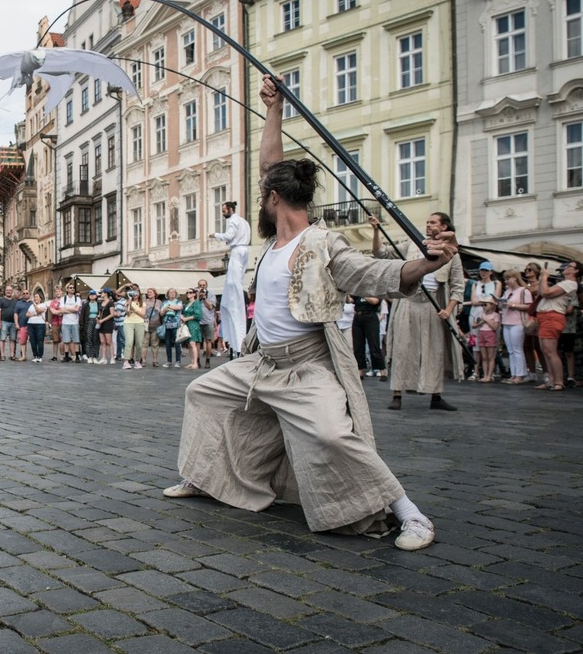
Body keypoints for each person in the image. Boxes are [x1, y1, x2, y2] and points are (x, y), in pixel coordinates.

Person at [163, 75, 454, 552]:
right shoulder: (272, 242)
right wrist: (273, 109)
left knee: (333, 435)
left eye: (264, 195)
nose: (261, 198)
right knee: (203, 392)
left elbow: (373, 273)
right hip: (262, 364)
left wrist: (426, 263)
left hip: (306, 367)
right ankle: (205, 478)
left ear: (275, 201)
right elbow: (269, 165)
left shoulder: (322, 244)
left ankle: (409, 513)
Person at [371, 213, 464, 411]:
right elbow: (381, 253)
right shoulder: (412, 244)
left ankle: (436, 396)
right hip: (407, 301)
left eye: (433, 222)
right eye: (427, 222)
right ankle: (397, 393)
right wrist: (376, 230)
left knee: (434, 351)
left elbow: (457, 285)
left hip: (433, 305)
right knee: (402, 348)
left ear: (444, 226)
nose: (428, 225)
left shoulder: (451, 251)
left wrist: (448, 310)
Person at [212, 201, 251, 357]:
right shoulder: (244, 221)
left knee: (233, 283)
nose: (223, 213)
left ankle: (235, 300)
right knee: (235, 282)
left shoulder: (233, 220)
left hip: (237, 251)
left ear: (230, 210)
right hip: (244, 250)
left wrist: (215, 235)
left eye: (224, 210)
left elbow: (229, 236)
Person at [536, 261, 580, 392]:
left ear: (576, 271)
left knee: (551, 351)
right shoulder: (563, 283)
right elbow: (542, 292)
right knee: (546, 351)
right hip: (545, 315)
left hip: (552, 315)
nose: (565, 268)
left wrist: (544, 277)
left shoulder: (570, 283)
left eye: (569, 266)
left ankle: (559, 382)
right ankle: (551, 380)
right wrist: (541, 279)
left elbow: (546, 293)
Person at [499, 269, 532, 385]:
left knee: (517, 349)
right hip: (507, 321)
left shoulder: (524, 291)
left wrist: (513, 305)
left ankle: (520, 374)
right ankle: (513, 374)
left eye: (508, 279)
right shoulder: (507, 292)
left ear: (515, 278)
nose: (506, 281)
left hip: (518, 322)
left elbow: (529, 306)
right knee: (510, 350)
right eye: (505, 279)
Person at [352, 295, 386, 380]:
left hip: (370, 316)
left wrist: (362, 293)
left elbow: (375, 301)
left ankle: (382, 371)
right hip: (358, 316)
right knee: (358, 346)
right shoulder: (357, 292)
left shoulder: (373, 291)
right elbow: (350, 299)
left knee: (374, 345)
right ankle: (360, 371)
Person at [472, 295, 501, 383]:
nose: (483, 306)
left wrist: (487, 320)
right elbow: (473, 325)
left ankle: (489, 375)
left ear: (492, 305)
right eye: (482, 305)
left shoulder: (496, 315)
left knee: (490, 356)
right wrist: (481, 322)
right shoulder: (479, 314)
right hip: (481, 333)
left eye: (485, 304)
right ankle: (485, 375)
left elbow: (495, 327)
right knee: (484, 357)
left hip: (490, 334)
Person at [122, 285, 146, 370]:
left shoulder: (142, 303)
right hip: (128, 323)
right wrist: (128, 305)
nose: (135, 294)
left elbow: (143, 314)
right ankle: (126, 361)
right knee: (129, 342)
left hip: (139, 323)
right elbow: (128, 313)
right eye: (133, 293)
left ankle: (137, 361)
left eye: (137, 292)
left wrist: (135, 310)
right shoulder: (128, 301)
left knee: (139, 343)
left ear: (139, 293)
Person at [58, 283, 82, 364]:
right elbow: (61, 310)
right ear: (67, 289)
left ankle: (77, 356)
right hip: (65, 322)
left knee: (76, 340)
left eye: (73, 287)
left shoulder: (77, 299)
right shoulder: (63, 299)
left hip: (75, 322)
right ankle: (66, 356)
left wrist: (66, 309)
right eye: (70, 288)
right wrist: (72, 309)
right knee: (66, 340)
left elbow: (77, 309)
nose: (72, 289)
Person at [161, 288, 184, 368]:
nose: (172, 293)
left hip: (176, 325)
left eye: (174, 292)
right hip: (167, 325)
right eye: (171, 292)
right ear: (168, 294)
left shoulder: (179, 301)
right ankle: (169, 361)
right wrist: (167, 308)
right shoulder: (164, 302)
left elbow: (179, 308)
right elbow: (161, 313)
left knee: (177, 343)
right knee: (167, 344)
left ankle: (178, 361)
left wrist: (168, 307)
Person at [181, 288, 203, 368]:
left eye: (190, 292)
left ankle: (196, 363)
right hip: (186, 324)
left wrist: (186, 318)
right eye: (187, 292)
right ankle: (192, 361)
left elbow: (198, 315)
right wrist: (182, 317)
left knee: (192, 343)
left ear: (194, 294)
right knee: (189, 344)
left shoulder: (196, 303)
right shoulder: (186, 303)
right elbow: (183, 312)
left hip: (193, 324)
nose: (188, 294)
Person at [25, 288, 48, 362]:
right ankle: (35, 355)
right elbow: (27, 314)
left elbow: (39, 310)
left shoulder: (43, 305)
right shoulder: (31, 306)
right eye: (34, 297)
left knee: (39, 340)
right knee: (32, 340)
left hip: (40, 324)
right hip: (31, 324)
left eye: (37, 297)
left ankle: (40, 356)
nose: (35, 298)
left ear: (41, 298)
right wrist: (35, 314)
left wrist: (35, 306)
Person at [197, 282, 216, 367]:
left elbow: (210, 307)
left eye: (203, 285)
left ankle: (207, 360)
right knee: (197, 342)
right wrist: (198, 296)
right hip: (197, 321)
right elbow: (193, 305)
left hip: (208, 321)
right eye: (200, 285)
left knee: (208, 341)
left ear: (206, 286)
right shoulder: (196, 294)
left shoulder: (211, 295)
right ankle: (197, 360)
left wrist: (204, 298)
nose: (202, 287)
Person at [0, 285, 17, 361]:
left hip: (13, 322)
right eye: (7, 290)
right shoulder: (1, 300)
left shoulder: (15, 301)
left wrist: (16, 322)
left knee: (12, 339)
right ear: (5, 291)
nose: (9, 291)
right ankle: (2, 355)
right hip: (4, 321)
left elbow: (16, 312)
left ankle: (12, 355)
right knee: (2, 339)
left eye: (10, 290)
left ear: (12, 291)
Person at [144, 287, 162, 367]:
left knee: (155, 344)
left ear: (155, 293)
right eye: (148, 292)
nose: (149, 293)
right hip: (145, 326)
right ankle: (143, 361)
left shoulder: (159, 302)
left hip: (156, 325)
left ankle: (155, 361)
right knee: (144, 344)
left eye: (150, 292)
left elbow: (161, 313)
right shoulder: (144, 302)